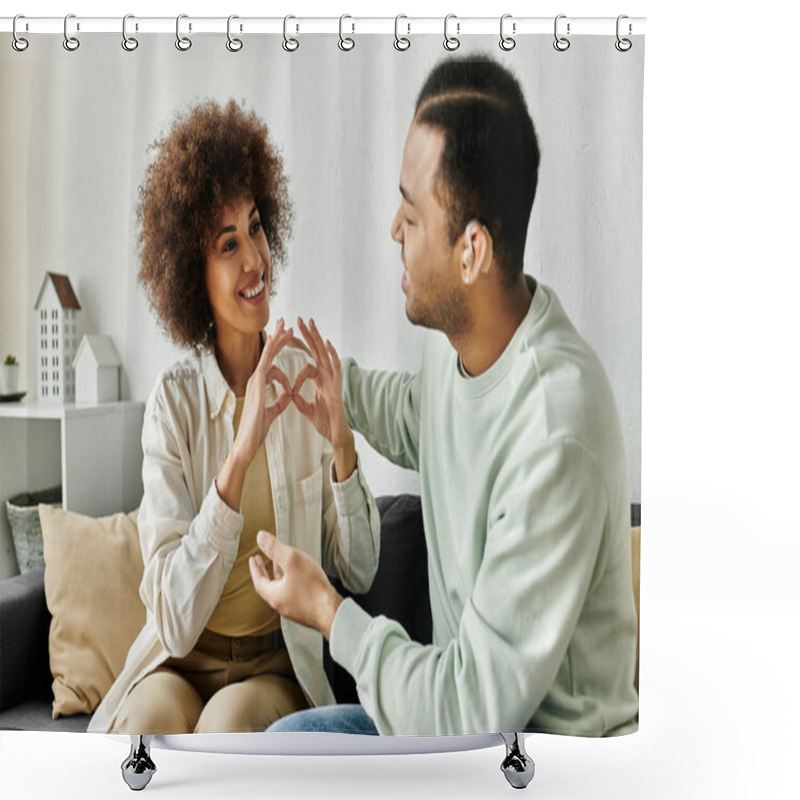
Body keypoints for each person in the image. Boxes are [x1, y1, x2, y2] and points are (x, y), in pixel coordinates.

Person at [251, 55, 639, 738]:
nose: (393, 232)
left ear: (471, 252)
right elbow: (425, 416)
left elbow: (469, 709)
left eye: (410, 213)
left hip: (539, 759)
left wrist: (328, 612)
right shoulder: (458, 345)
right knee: (286, 748)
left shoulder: (555, 429)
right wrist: (325, 379)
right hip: (461, 730)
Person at [87, 100, 380, 735]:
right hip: (180, 659)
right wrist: (240, 453)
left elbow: (359, 570)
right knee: (142, 732)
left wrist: (341, 445)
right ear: (194, 277)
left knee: (225, 730)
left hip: (274, 667)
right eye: (227, 244)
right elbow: (170, 617)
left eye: (255, 228)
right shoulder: (173, 405)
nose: (255, 260)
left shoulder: (306, 380)